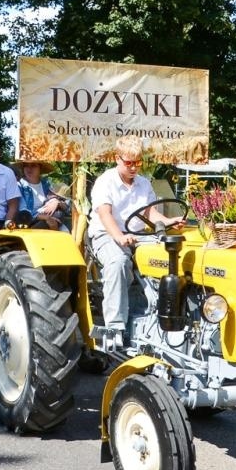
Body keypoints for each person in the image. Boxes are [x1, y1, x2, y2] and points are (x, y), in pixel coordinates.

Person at [89, 135, 183, 345]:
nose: (133, 168)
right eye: (129, 163)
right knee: (118, 262)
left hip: (138, 235)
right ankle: (115, 329)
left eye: (137, 163)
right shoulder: (106, 181)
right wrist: (119, 237)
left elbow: (150, 215)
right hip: (107, 234)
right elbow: (105, 215)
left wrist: (169, 221)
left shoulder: (143, 183)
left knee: (172, 256)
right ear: (117, 159)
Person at [15, 158, 69, 231]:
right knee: (56, 219)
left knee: (59, 213)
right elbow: (23, 212)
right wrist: (45, 217)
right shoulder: (19, 186)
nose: (29, 169)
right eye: (26, 165)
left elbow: (67, 207)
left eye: (33, 165)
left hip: (49, 218)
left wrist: (57, 202)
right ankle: (35, 231)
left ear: (40, 168)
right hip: (29, 220)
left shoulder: (47, 184)